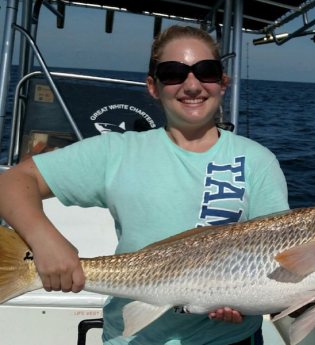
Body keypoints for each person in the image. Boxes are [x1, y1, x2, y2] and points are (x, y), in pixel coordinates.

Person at [0, 25, 289, 344]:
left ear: (222, 82)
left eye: (206, 71)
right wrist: (44, 241)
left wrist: (247, 303)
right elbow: (13, 181)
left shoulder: (258, 161)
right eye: (173, 73)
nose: (192, 85)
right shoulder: (116, 152)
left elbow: (277, 261)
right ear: (153, 86)